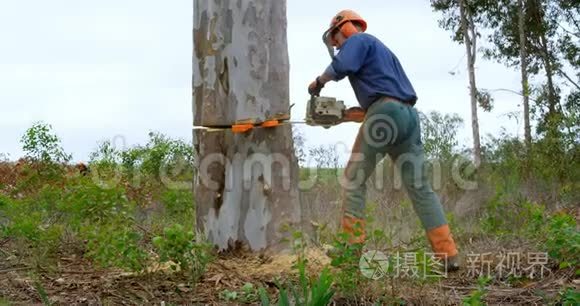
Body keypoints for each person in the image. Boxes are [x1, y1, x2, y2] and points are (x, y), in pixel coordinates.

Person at [308, 9, 460, 271]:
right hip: (408, 117)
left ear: (343, 28)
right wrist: (341, 116)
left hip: (385, 115)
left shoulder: (358, 41)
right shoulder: (383, 52)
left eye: (335, 39)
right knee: (421, 187)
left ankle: (350, 251)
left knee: (353, 179)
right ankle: (447, 254)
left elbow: (343, 68)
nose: (336, 45)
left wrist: (319, 82)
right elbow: (381, 103)